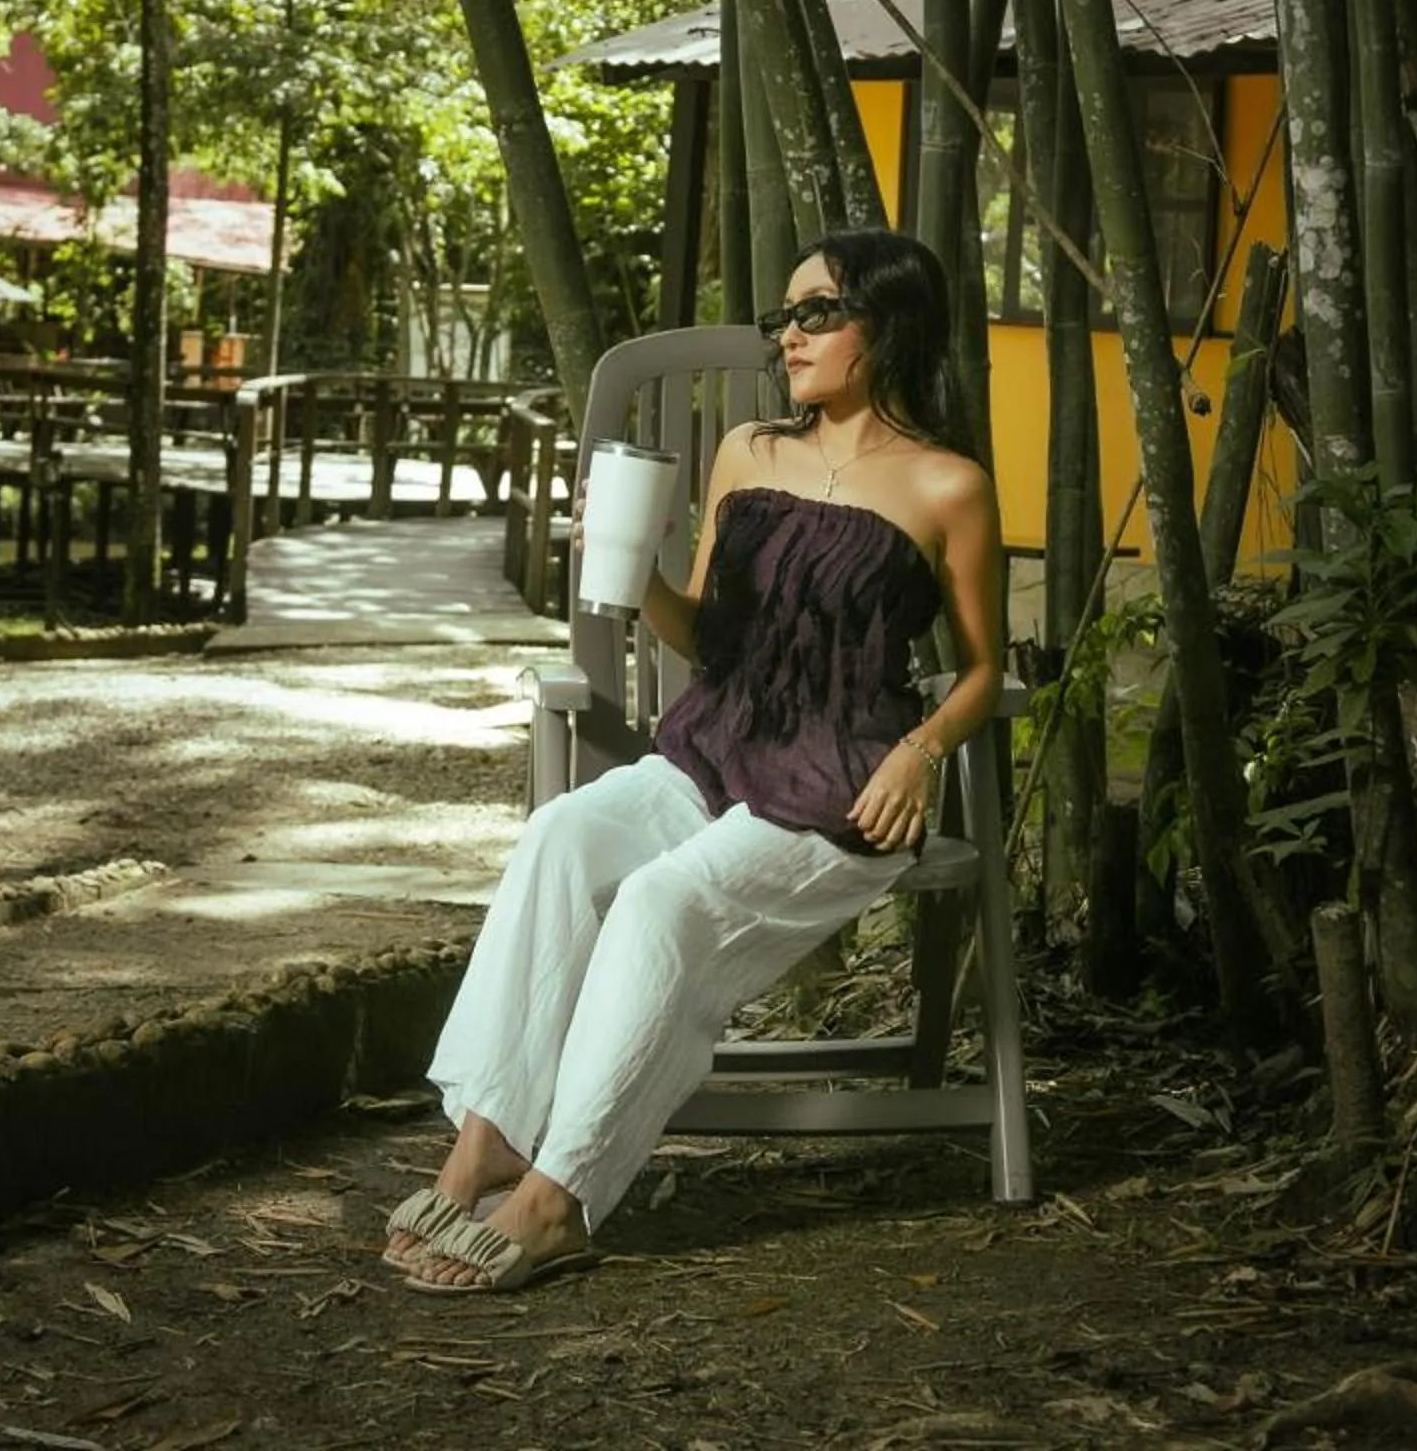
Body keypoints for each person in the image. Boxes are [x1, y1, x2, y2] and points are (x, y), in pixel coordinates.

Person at [386, 227, 1006, 1294]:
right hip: (716, 750)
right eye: (784, 317)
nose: (789, 336)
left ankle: (559, 1199)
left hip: (838, 785)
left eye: (817, 313)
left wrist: (921, 748)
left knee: (660, 901)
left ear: (891, 323)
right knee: (561, 833)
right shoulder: (748, 453)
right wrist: (635, 575)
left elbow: (986, 668)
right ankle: (487, 1141)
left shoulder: (950, 486)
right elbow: (711, 639)